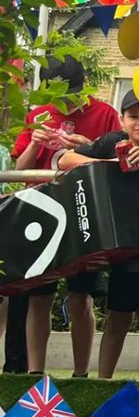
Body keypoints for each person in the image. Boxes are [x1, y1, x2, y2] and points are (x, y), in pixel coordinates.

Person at [58, 91, 139, 380]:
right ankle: (103, 381)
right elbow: (64, 160)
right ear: (122, 119)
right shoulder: (110, 143)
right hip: (125, 243)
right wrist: (110, 167)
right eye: (134, 116)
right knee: (118, 315)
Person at [13, 56, 120, 377]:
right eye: (59, 95)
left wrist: (89, 146)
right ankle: (35, 370)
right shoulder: (38, 115)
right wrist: (34, 144)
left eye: (71, 93)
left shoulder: (104, 113)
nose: (67, 102)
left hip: (83, 212)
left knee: (80, 294)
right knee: (39, 295)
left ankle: (80, 373)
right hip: (40, 212)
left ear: (82, 86)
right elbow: (19, 172)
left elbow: (118, 159)